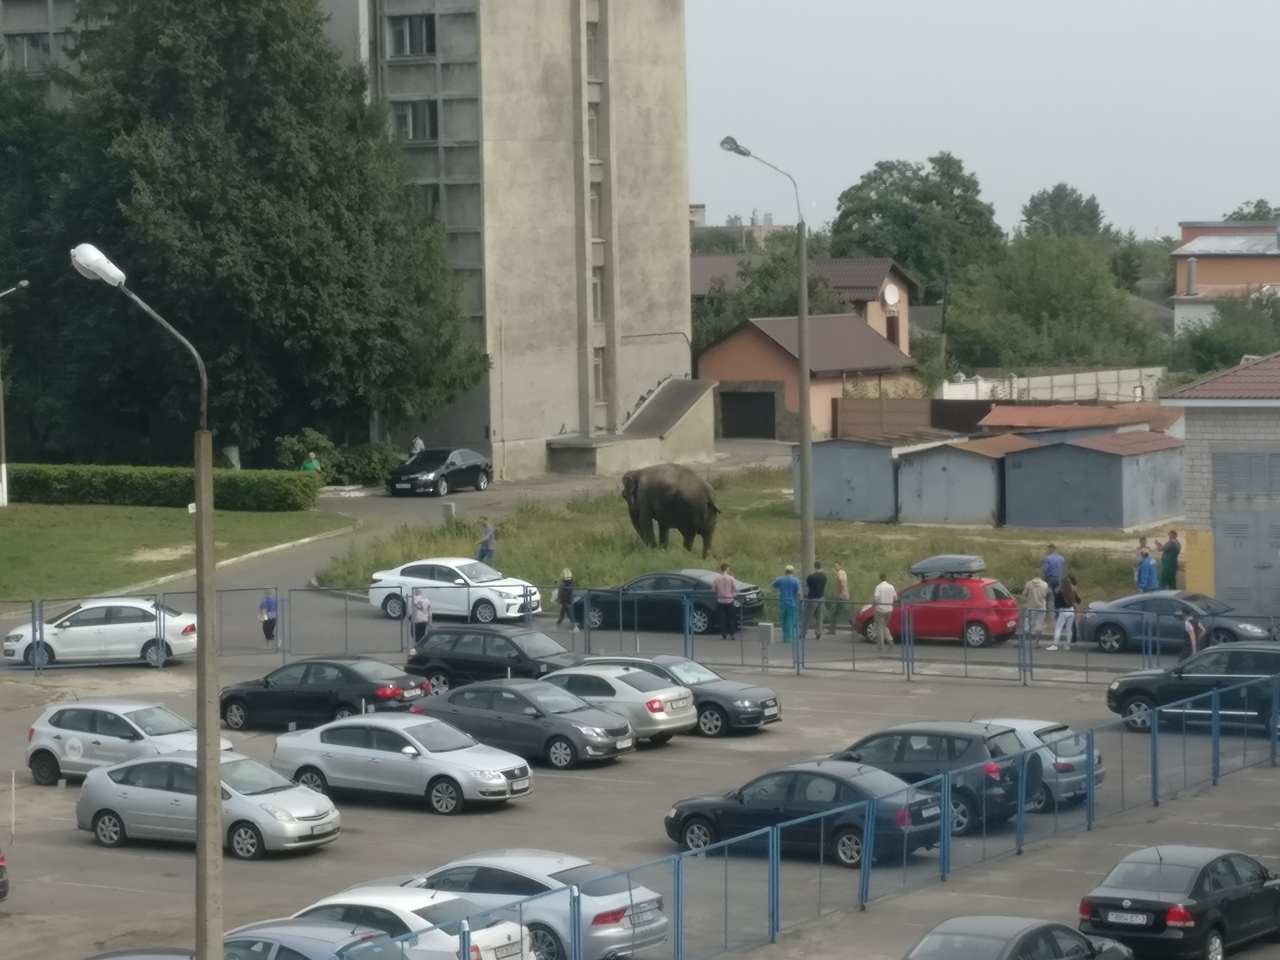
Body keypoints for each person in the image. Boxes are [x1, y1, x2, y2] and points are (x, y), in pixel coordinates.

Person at [1046, 573, 1081, 651]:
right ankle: (1068, 644)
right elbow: (1079, 600)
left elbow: (1056, 603)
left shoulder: (1060, 592)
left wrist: (1057, 609)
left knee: (1058, 628)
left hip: (1063, 611)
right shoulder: (1073, 591)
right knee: (1069, 629)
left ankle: (1055, 644)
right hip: (1071, 610)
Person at [770, 564, 802, 643]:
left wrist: (778, 591)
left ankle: (785, 636)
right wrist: (801, 599)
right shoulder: (796, 580)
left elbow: (772, 586)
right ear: (793, 572)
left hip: (783, 601)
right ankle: (788, 637)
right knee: (790, 621)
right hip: (792, 602)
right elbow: (799, 592)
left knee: (783, 620)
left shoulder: (780, 579)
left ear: (785, 571)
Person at [827, 561, 857, 635]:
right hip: (843, 595)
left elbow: (842, 582)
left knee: (843, 611)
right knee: (839, 611)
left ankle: (854, 627)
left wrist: (841, 593)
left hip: (841, 596)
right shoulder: (843, 572)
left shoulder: (840, 573)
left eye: (835, 566)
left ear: (839, 565)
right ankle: (832, 629)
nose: (835, 568)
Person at [872, 573, 897, 654]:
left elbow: (876, 599)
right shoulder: (891, 587)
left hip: (880, 609)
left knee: (879, 628)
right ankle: (890, 640)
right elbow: (895, 598)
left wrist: (873, 604)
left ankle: (881, 648)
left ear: (880, 579)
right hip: (889, 609)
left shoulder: (878, 587)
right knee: (884, 626)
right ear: (886, 578)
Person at [713, 563, 739, 640]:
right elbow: (735, 589)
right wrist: (734, 595)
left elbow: (714, 589)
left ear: (721, 569)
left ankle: (723, 633)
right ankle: (732, 634)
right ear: (727, 569)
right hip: (729, 599)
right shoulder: (731, 578)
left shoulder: (717, 579)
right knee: (731, 618)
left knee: (722, 618)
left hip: (721, 600)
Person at [1022, 572, 1049, 643]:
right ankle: (1037, 642)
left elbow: (1025, 594)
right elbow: (1045, 594)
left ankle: (1025, 641)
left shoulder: (1028, 584)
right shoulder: (1045, 584)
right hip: (1041, 606)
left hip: (1031, 606)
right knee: (1039, 624)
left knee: (1028, 624)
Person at [804, 561, 828, 640]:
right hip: (821, 598)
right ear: (821, 566)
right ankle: (818, 633)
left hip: (812, 598)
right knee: (819, 617)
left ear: (814, 566)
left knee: (808, 616)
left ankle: (803, 633)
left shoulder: (811, 577)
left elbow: (807, 584)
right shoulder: (824, 577)